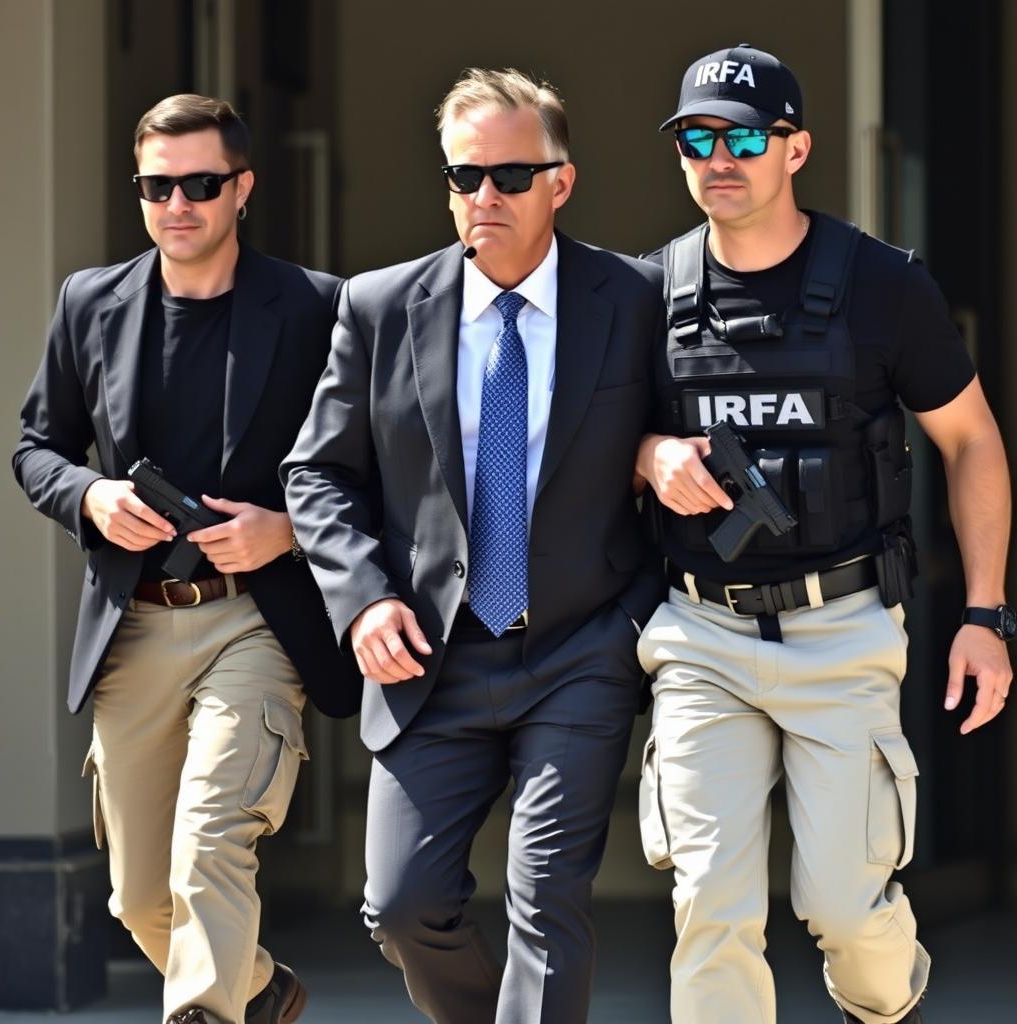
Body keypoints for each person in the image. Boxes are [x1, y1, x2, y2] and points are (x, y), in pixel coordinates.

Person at [635, 44, 1012, 1024]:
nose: (721, 157)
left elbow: (970, 441)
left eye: (746, 136)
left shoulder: (883, 285)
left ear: (795, 148)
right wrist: (647, 455)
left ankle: (882, 1005)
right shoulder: (650, 293)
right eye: (698, 138)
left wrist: (984, 613)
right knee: (709, 905)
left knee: (844, 910)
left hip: (842, 630)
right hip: (699, 634)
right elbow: (581, 444)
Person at [281, 68, 665, 1024]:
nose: (484, 198)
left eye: (509, 176)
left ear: (561, 183)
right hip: (430, 656)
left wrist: (636, 601)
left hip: (579, 647)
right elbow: (316, 475)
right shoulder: (378, 307)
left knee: (547, 902)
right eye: (464, 178)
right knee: (403, 906)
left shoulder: (634, 298)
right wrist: (364, 597)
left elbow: (675, 460)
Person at [13, 94, 359, 1024]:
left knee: (213, 842)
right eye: (157, 186)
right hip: (135, 622)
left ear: (242, 188)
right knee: (138, 899)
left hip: (258, 615)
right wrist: (90, 496)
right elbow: (34, 445)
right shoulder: (92, 302)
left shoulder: (317, 307)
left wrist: (286, 529)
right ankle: (258, 993)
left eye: (201, 184)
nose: (178, 204)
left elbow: (378, 467)